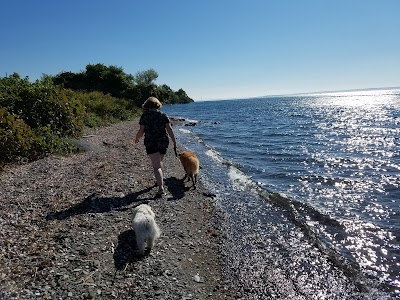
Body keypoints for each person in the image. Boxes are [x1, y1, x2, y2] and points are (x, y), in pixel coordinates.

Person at [134, 97, 177, 195]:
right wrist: (174, 141)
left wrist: (137, 138)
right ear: (157, 105)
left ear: (147, 105)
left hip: (151, 142)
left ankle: (161, 188)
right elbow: (169, 129)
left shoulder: (145, 116)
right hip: (163, 141)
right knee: (160, 161)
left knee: (156, 166)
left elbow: (141, 130)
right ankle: (160, 180)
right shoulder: (163, 115)